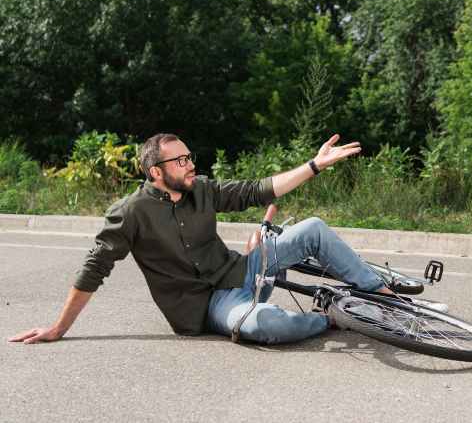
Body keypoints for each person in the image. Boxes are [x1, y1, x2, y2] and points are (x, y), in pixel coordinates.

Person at [8, 133, 436, 346]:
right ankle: (332, 319)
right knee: (263, 323)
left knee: (313, 228)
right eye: (180, 160)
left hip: (242, 268)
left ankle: (380, 293)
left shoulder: (202, 189)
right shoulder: (131, 212)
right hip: (210, 304)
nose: (190, 164)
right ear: (155, 171)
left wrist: (314, 165)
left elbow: (258, 189)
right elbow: (94, 269)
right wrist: (57, 329)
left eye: (190, 156)